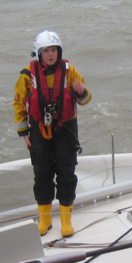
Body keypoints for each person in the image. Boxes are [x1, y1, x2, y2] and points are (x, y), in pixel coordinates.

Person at [14, 31, 91, 238]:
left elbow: (85, 100)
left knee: (67, 175)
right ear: (39, 53)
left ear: (59, 51)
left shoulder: (70, 71)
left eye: (54, 50)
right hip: (39, 130)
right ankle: (45, 220)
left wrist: (81, 90)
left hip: (65, 130)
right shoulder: (26, 75)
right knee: (42, 175)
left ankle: (66, 221)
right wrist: (23, 132)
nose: (50, 55)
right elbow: (19, 103)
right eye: (46, 51)